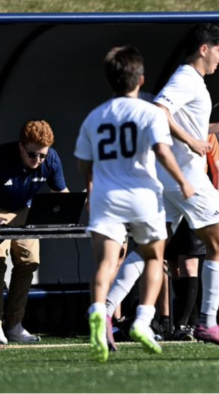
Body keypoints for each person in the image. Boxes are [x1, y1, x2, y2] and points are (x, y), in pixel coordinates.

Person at [103, 24, 219, 349]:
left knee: (150, 248)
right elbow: (159, 111)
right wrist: (194, 140)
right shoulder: (186, 77)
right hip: (187, 176)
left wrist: (211, 128)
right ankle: (208, 323)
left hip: (169, 179)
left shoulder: (192, 81)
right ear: (204, 49)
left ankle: (106, 310)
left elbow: (178, 118)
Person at [75, 46, 195, 362]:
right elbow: (163, 151)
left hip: (106, 196)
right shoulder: (149, 112)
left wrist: (90, 188)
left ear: (109, 80)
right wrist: (182, 180)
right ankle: (143, 319)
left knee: (105, 263)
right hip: (142, 194)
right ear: (140, 80)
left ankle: (99, 313)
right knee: (154, 257)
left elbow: (83, 164)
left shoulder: (94, 117)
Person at [0, 120, 69, 345]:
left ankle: (14, 325)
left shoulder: (51, 159)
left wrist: (73, 206)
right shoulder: (3, 158)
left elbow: (61, 192)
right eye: (32, 155)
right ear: (21, 146)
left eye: (43, 156)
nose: (38, 161)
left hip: (25, 211)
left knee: (29, 262)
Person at [166, 133, 219, 341]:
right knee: (172, 265)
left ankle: (184, 324)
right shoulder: (165, 127)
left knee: (189, 264)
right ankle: (189, 324)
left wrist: (216, 206)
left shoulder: (208, 132)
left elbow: (218, 172)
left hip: (196, 204)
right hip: (168, 201)